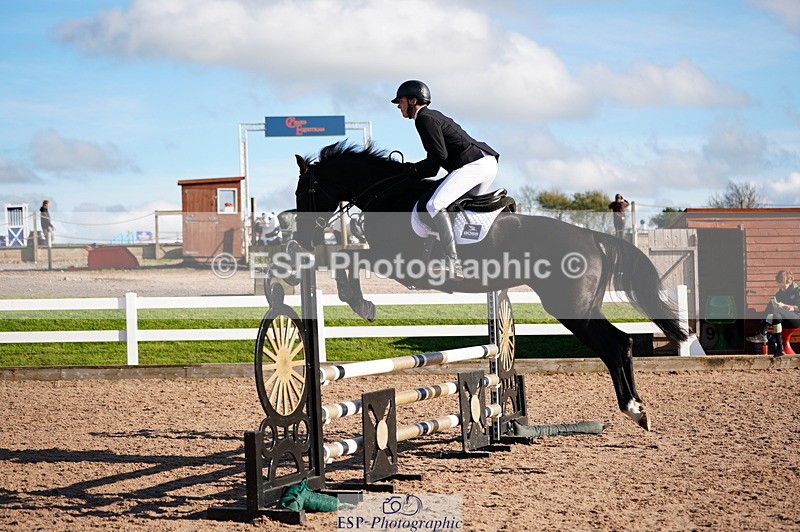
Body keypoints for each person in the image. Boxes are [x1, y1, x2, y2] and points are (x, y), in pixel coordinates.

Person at [391, 80, 499, 281]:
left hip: (474, 164)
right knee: (460, 211)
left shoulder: (423, 118)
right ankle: (472, 256)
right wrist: (417, 170)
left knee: (434, 204)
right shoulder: (431, 116)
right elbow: (436, 161)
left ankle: (453, 262)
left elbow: (437, 159)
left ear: (413, 101)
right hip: (485, 163)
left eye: (401, 101)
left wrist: (412, 170)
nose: (399, 105)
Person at [746, 270, 800, 356]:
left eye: (783, 286)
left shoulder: (797, 291)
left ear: (790, 281)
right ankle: (779, 349)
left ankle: (763, 333)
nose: (782, 289)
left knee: (776, 309)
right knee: (775, 313)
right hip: (783, 320)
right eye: (780, 287)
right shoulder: (780, 293)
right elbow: (770, 310)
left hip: (796, 319)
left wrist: (783, 306)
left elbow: (798, 307)